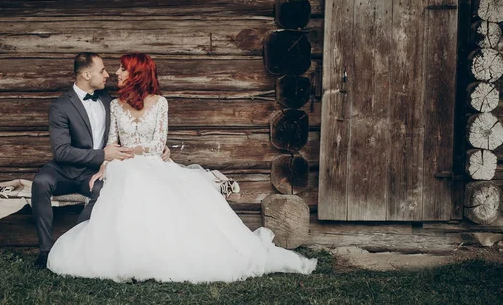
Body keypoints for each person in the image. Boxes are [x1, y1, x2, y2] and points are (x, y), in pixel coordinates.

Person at [47, 53, 317, 282]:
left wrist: (138, 151)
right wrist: (104, 165)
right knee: (127, 187)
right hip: (124, 165)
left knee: (165, 198)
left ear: (136, 74)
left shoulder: (160, 103)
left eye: (122, 68)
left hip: (152, 163)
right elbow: (111, 142)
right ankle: (132, 255)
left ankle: (169, 255)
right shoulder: (116, 105)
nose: (117, 72)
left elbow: (159, 143)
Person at [31, 52, 170, 268]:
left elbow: (133, 127)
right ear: (87, 74)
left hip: (94, 171)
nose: (108, 74)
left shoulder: (110, 101)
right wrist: (103, 155)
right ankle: (45, 250)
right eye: (102, 70)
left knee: (104, 194)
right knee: (40, 183)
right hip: (64, 169)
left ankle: (74, 246)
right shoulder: (60, 106)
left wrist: (160, 148)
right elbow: (61, 152)